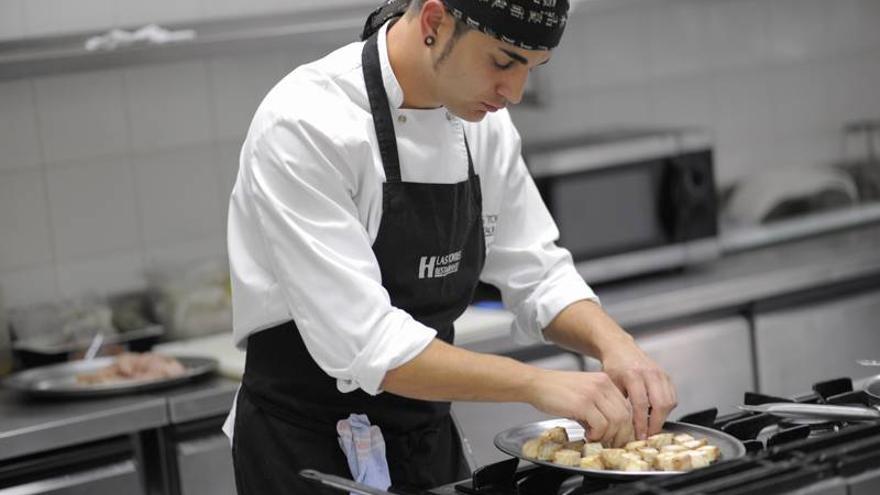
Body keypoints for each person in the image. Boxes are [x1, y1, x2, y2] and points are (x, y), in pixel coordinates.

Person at [224, 0, 678, 493]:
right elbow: (369, 343)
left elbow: (539, 272)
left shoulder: (481, 125)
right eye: (503, 61)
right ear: (435, 22)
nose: (515, 92)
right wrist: (538, 384)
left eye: (532, 68)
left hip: (425, 441)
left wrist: (619, 347)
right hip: (303, 452)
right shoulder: (306, 123)